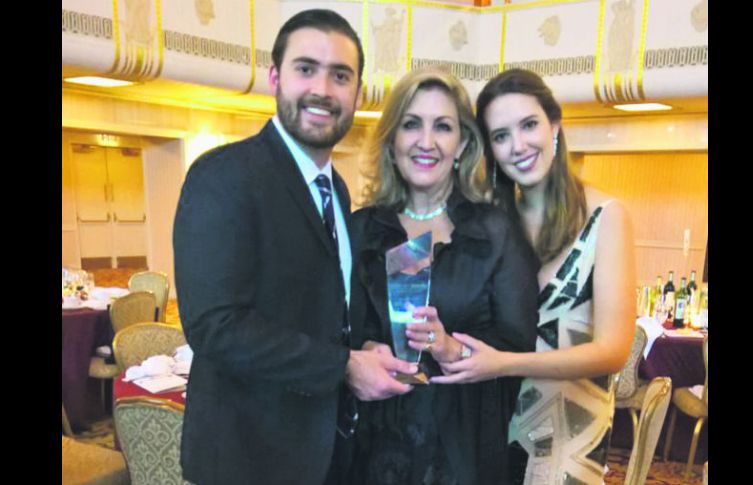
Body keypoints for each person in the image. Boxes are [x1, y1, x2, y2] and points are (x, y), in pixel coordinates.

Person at [172, 10, 418, 485]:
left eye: (340, 76)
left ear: (358, 94)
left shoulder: (337, 190)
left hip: (327, 452)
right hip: (248, 460)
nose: (322, 89)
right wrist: (344, 365)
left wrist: (360, 345)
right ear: (275, 78)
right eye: (306, 69)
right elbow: (215, 326)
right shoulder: (223, 175)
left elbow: (319, 306)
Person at [431, 69, 636, 485]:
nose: (518, 145)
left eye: (529, 125)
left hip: (570, 441)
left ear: (554, 126)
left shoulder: (606, 216)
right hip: (494, 430)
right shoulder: (491, 224)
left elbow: (613, 350)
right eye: (501, 135)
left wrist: (504, 364)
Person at [347, 68, 540, 485]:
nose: (426, 141)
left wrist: (452, 348)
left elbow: (518, 348)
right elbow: (329, 332)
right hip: (369, 449)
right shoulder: (360, 230)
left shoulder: (495, 233)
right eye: (411, 124)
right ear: (392, 140)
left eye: (443, 127)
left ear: (463, 144)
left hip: (459, 451)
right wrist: (361, 348)